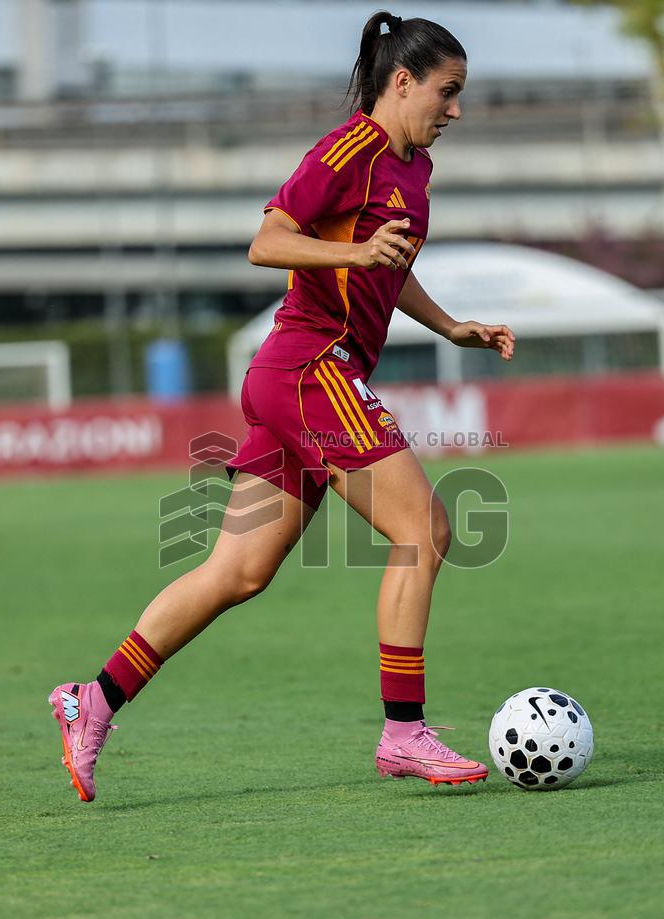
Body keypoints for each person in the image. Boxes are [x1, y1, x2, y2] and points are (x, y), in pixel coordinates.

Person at [48, 10, 515, 802]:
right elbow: (268, 239)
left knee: (237, 571)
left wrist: (452, 327)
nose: (457, 110)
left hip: (297, 377)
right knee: (424, 529)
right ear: (402, 82)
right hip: (310, 366)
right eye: (449, 91)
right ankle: (404, 732)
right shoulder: (347, 151)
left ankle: (91, 698)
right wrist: (352, 251)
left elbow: (388, 269)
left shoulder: (412, 168)